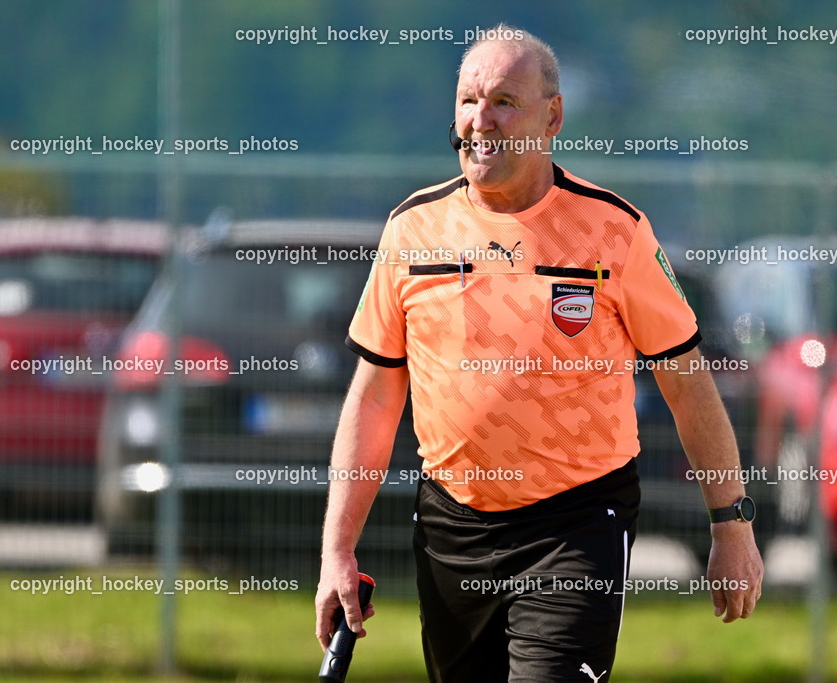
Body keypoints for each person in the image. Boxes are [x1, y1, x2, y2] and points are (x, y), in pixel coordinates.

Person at [316, 24, 763, 682]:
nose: (480, 120)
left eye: (503, 101)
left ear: (552, 117)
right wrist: (337, 548)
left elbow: (686, 383)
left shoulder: (614, 231)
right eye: (468, 100)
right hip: (451, 525)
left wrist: (731, 522)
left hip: (575, 523)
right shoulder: (411, 230)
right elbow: (376, 396)